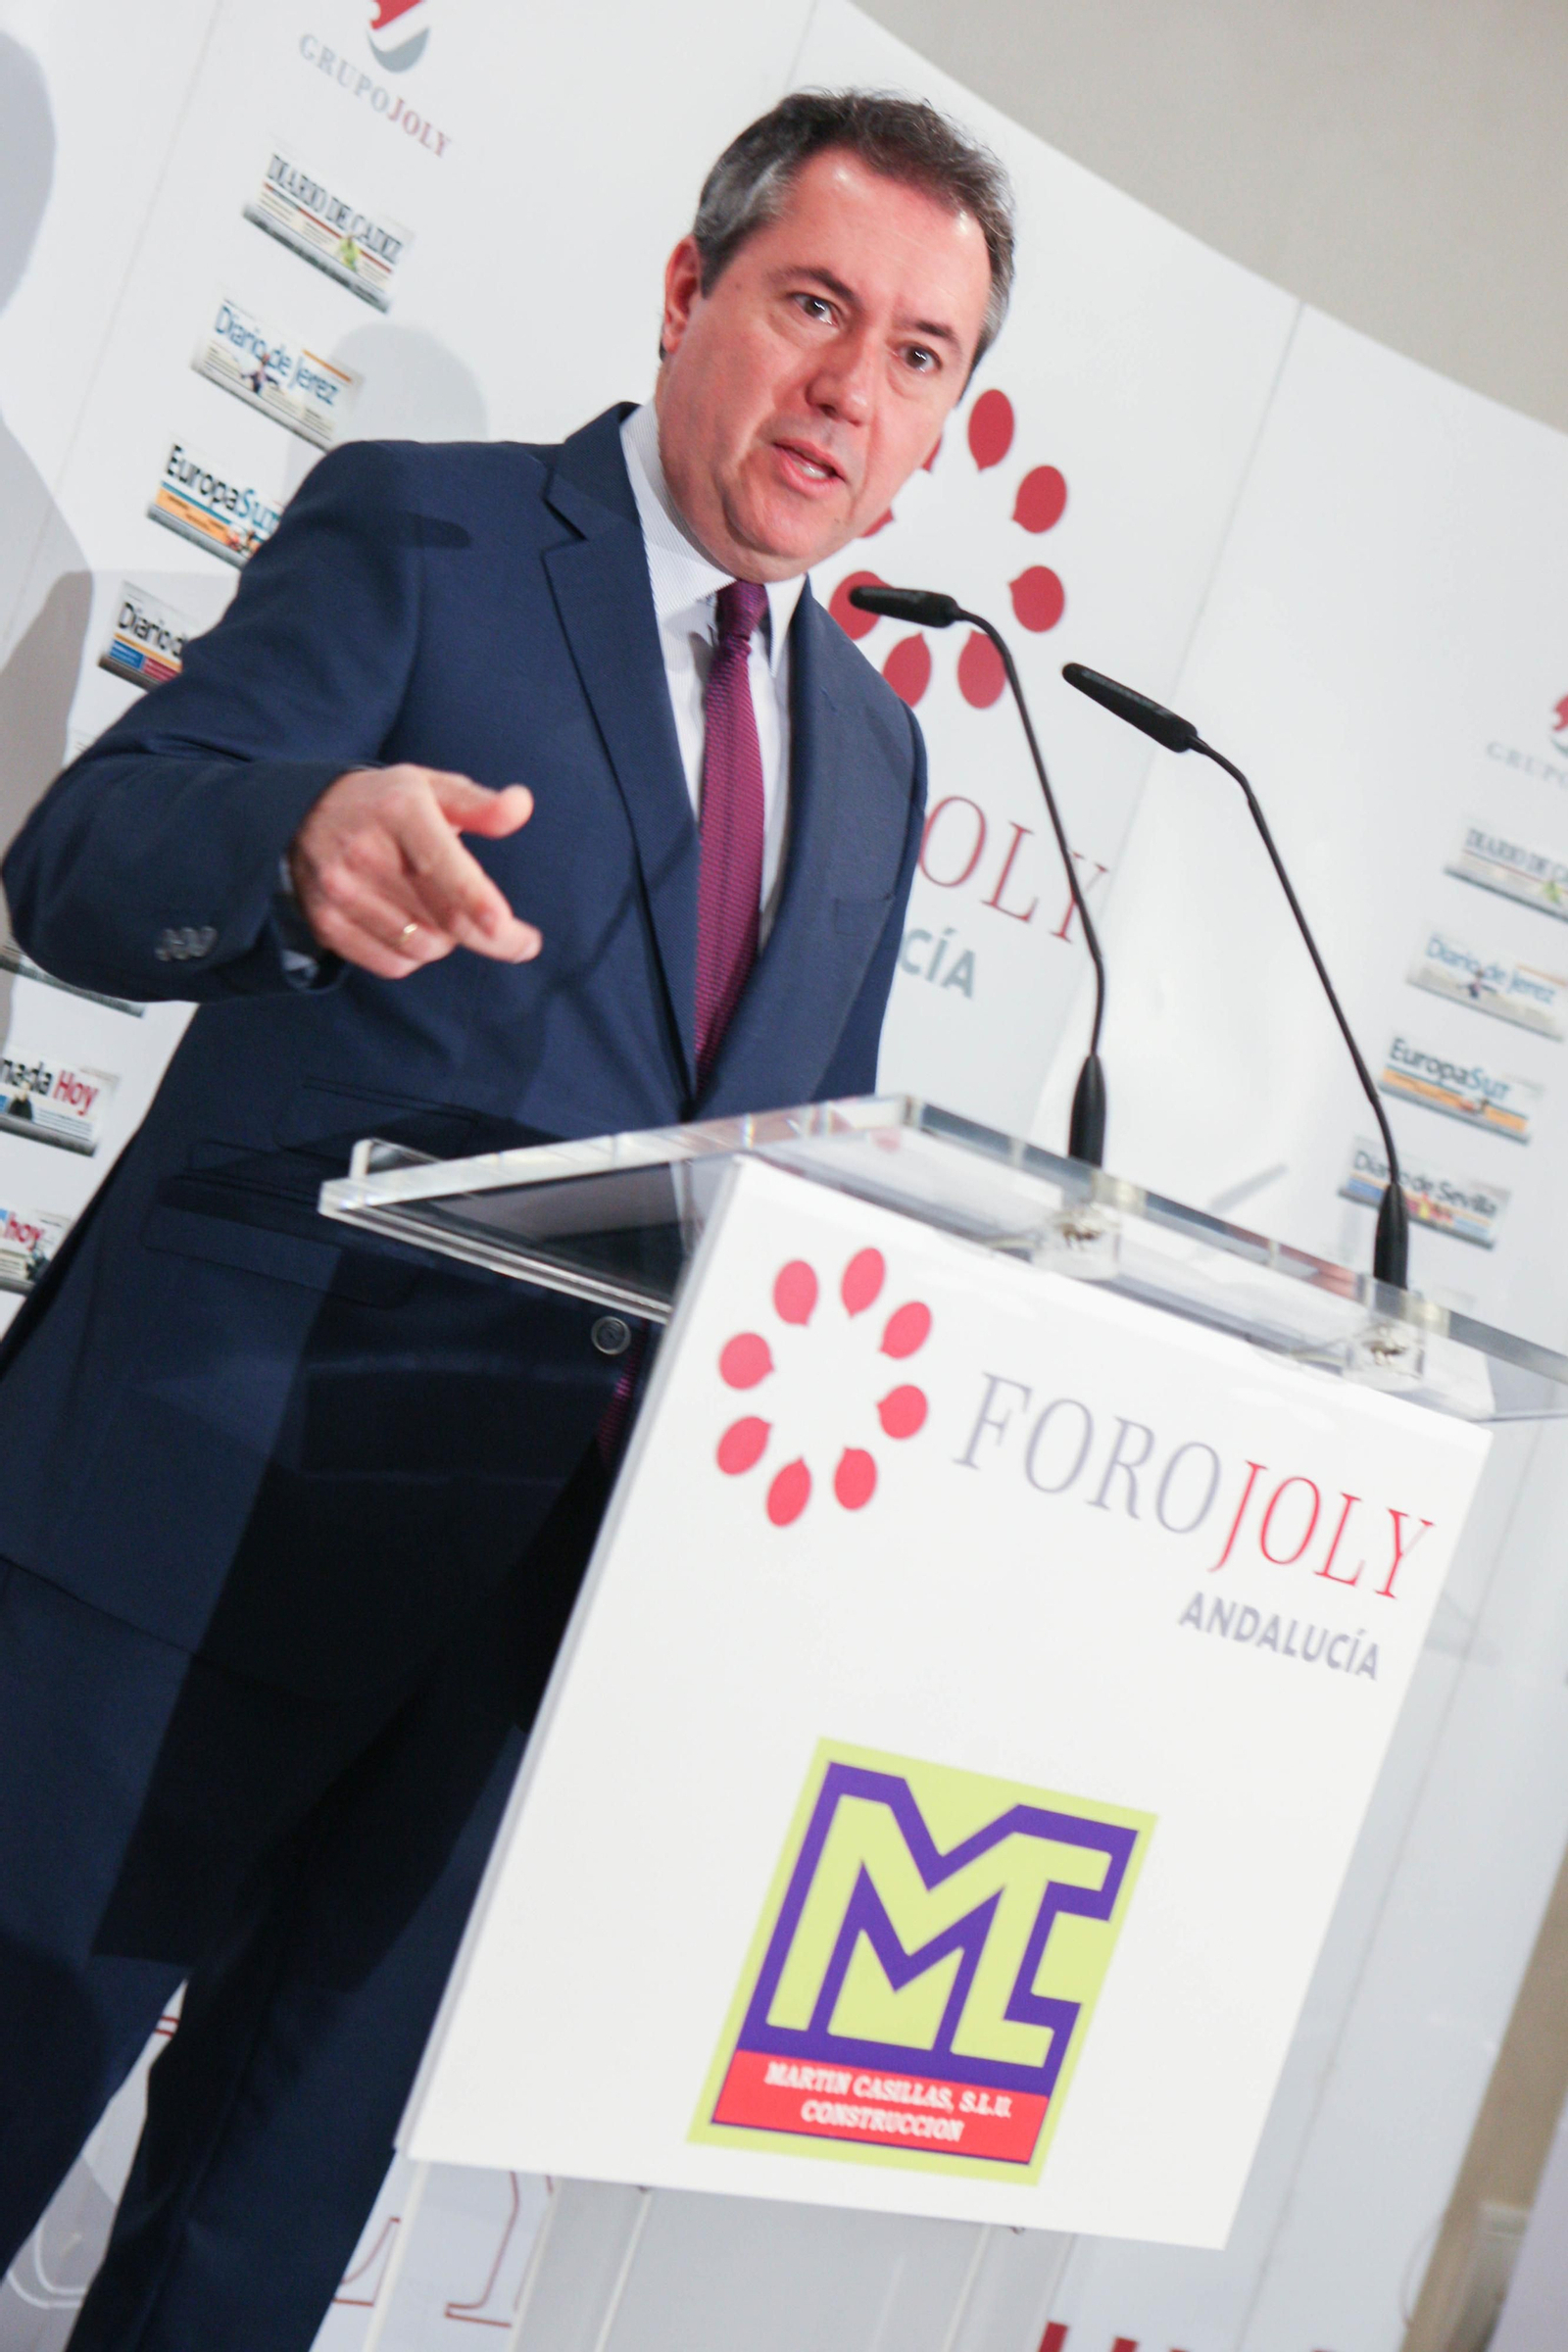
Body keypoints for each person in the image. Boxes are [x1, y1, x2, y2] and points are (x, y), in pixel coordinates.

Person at [0, 90, 1012, 2349]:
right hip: (185, 1546)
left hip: (505, 1641)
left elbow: (782, 1193)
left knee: (245, 2257)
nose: (850, 391)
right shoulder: (428, 537)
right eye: (811, 306)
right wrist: (289, 849)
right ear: (685, 292)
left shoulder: (873, 753)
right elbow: (77, 867)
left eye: (918, 354)